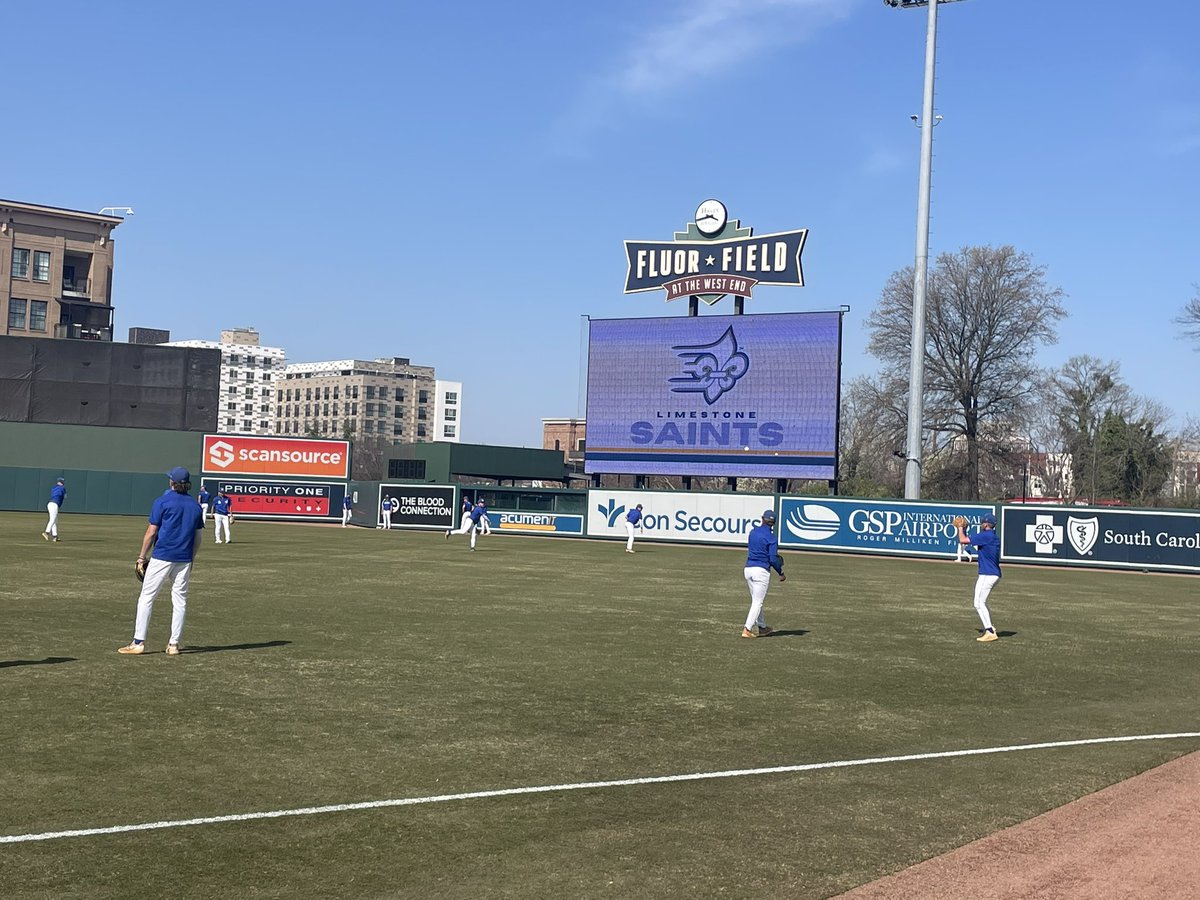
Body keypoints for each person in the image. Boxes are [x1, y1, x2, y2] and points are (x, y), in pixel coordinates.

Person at [118, 467, 205, 656]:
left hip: (162, 556)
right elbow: (198, 538)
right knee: (180, 600)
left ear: (172, 483)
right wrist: (192, 558)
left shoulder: (162, 501)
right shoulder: (195, 506)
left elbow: (151, 532)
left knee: (147, 597)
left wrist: (142, 556)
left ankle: (138, 642)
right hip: (184, 559)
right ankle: (174, 645)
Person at [957, 512, 1001, 642]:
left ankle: (990, 631)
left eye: (983, 522)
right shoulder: (991, 536)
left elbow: (962, 540)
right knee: (981, 602)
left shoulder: (986, 536)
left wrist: (960, 528)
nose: (982, 524)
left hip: (988, 574)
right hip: (992, 573)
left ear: (986, 524)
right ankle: (989, 627)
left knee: (978, 603)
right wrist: (964, 530)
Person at [741, 509, 786, 638]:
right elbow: (772, 559)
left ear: (762, 519)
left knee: (756, 600)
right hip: (761, 571)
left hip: (748, 569)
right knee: (757, 602)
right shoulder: (771, 538)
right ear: (774, 523)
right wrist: (781, 572)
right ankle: (747, 629)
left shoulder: (753, 532)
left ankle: (762, 627)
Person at [43, 477, 66, 542]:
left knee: (55, 520)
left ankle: (55, 536)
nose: (63, 483)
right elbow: (65, 496)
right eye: (62, 482)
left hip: (50, 504)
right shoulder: (62, 488)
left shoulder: (53, 488)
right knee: (53, 519)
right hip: (54, 504)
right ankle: (46, 532)